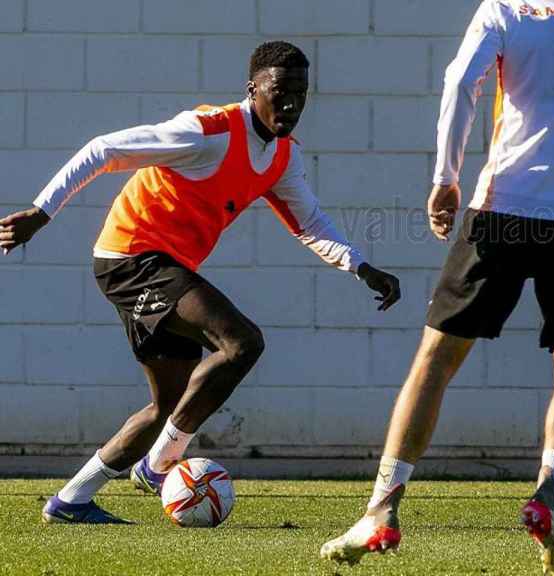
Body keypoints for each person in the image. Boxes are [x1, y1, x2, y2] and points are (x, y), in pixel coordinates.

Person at [320, 1, 554, 573]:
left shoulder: (508, 9)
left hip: (503, 209)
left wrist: (445, 177)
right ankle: (550, 496)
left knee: (436, 360)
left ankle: (382, 510)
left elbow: (460, 83)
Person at [0, 41, 401, 524]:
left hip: (163, 265)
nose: (291, 103)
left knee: (168, 405)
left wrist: (361, 266)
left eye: (301, 93)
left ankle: (71, 500)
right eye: (280, 91)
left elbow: (309, 224)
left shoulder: (281, 157)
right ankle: (156, 466)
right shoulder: (207, 131)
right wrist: (42, 212)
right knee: (241, 343)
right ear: (253, 89)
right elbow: (103, 149)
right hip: (131, 256)